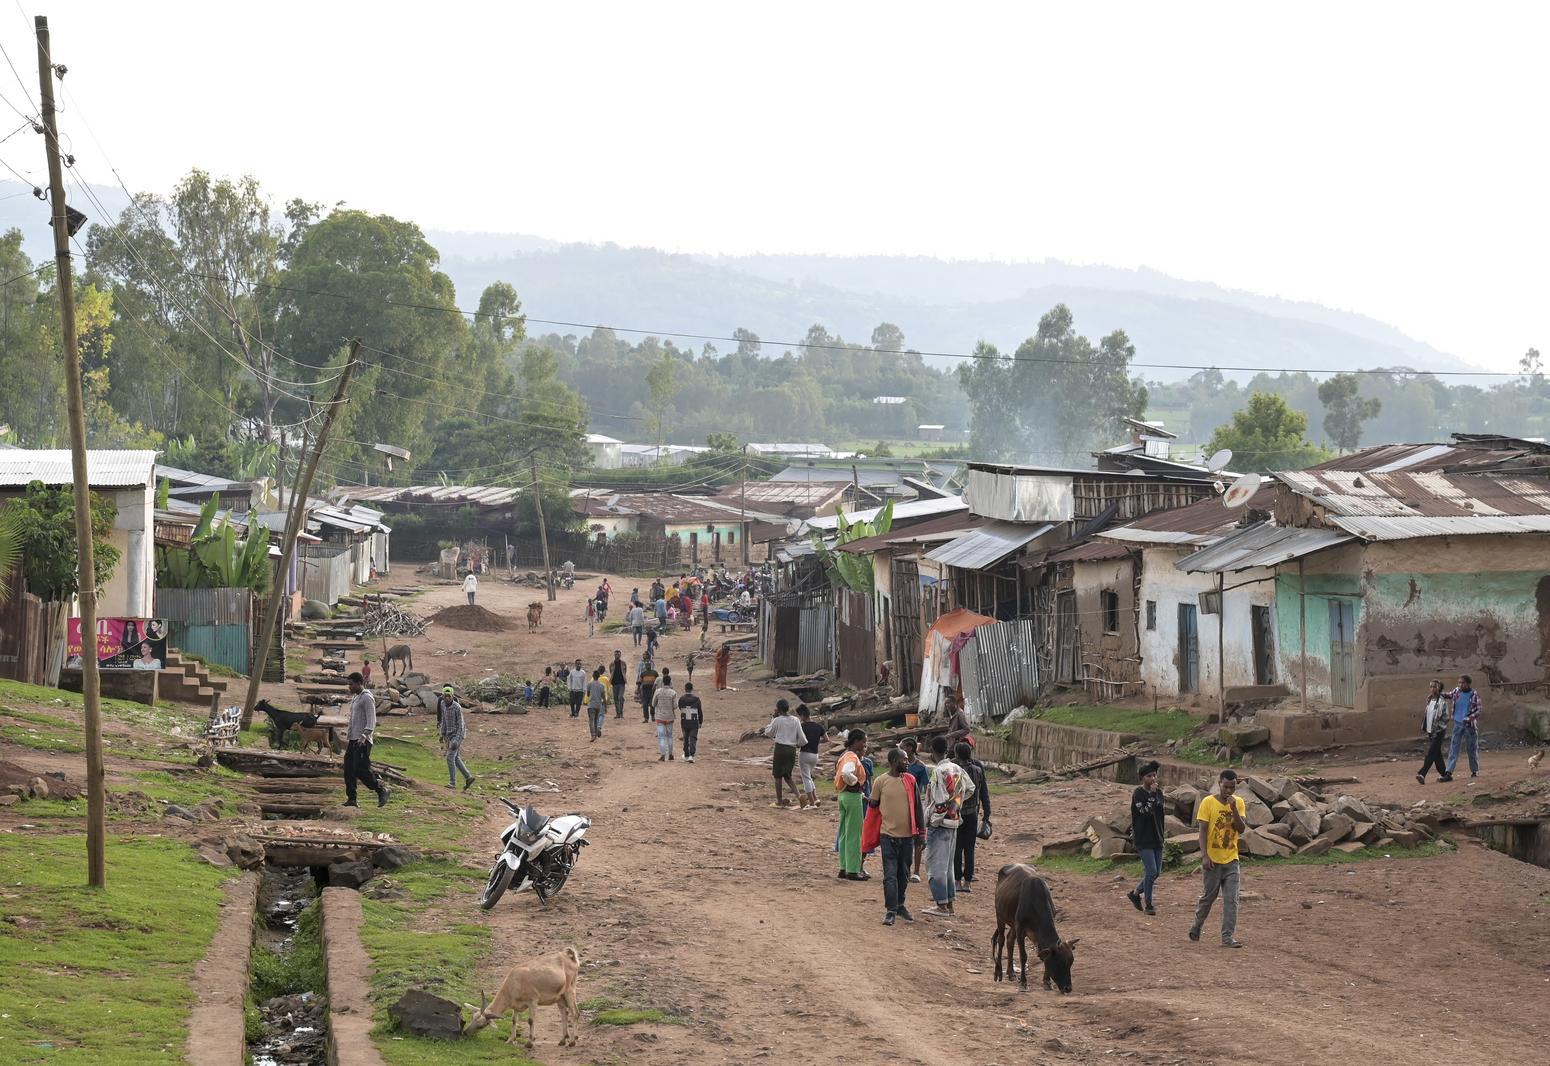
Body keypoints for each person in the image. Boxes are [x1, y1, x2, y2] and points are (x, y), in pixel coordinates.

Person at [1189, 769, 1247, 948]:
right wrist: (1204, 855)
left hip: (1231, 859)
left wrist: (1234, 809)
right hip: (1212, 861)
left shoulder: (1239, 803)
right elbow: (1203, 831)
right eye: (1226, 786)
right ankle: (1197, 925)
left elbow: (1241, 829)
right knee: (1209, 897)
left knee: (1232, 900)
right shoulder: (1207, 802)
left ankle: (1227, 937)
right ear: (1219, 784)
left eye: (1232, 787)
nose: (1229, 791)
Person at [870, 747, 922, 925]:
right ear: (894, 762)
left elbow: (917, 808)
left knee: (903, 874)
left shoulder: (910, 780)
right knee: (890, 875)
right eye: (904, 759)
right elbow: (873, 804)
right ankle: (891, 910)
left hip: (907, 837)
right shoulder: (880, 781)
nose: (908, 762)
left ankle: (900, 905)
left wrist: (921, 835)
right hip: (888, 836)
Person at [922, 735, 971, 916]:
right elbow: (970, 788)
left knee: (935, 866)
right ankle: (949, 904)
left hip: (940, 823)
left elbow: (940, 800)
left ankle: (941, 904)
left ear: (932, 751)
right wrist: (956, 804)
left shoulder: (938, 771)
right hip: (954, 821)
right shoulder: (957, 768)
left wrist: (935, 816)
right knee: (948, 865)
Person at [343, 672, 389, 808]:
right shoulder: (356, 698)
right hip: (353, 739)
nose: (349, 687)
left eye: (351, 684)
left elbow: (372, 720)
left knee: (360, 769)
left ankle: (381, 789)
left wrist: (364, 736)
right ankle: (352, 799)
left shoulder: (367, 698)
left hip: (363, 740)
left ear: (358, 683)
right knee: (348, 769)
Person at [1127, 760, 1166, 915]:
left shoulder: (1159, 793)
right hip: (1143, 838)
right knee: (1151, 871)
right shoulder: (1138, 793)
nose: (1153, 779)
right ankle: (1149, 904)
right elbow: (1145, 812)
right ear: (1142, 778)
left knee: (1156, 873)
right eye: (1149, 776)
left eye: (1154, 775)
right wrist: (1151, 795)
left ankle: (1136, 893)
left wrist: (1155, 794)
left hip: (1157, 836)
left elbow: (1159, 811)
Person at [953, 740, 990, 893]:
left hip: (956, 814)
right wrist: (987, 814)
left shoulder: (954, 771)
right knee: (969, 849)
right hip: (973, 814)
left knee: (957, 848)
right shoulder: (978, 770)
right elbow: (984, 793)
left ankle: (956, 881)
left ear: (956, 754)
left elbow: (953, 794)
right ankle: (968, 882)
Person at [834, 729, 869, 878]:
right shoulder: (852, 757)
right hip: (851, 796)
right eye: (863, 741)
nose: (865, 745)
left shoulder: (844, 755)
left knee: (843, 833)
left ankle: (843, 867)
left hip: (842, 795)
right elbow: (847, 773)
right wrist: (854, 783)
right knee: (854, 834)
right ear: (856, 741)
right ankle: (853, 870)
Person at [763, 698, 806, 808]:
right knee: (787, 776)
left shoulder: (778, 720)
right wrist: (798, 744)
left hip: (780, 749)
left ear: (778, 709)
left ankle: (779, 801)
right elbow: (802, 739)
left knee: (777, 776)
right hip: (791, 750)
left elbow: (768, 732)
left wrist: (773, 717)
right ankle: (799, 795)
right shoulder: (795, 720)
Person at [901, 738, 929, 883]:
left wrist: (923, 805)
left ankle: (916, 871)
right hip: (901, 804)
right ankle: (904, 868)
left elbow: (926, 788)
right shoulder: (899, 764)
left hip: (916, 804)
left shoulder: (920, 767)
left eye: (903, 747)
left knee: (918, 837)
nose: (901, 749)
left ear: (910, 748)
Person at [437, 685, 475, 790]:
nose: (447, 698)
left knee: (450, 757)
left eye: (449, 696)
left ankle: (452, 782)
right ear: (443, 696)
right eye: (445, 696)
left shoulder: (457, 707)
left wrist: (457, 740)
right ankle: (468, 777)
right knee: (456, 758)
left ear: (453, 696)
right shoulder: (442, 704)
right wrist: (442, 734)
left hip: (458, 734)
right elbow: (444, 720)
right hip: (448, 734)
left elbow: (461, 724)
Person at [1444, 674, 1482, 778]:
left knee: (1472, 749)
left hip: (1469, 726)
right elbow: (1449, 695)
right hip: (1458, 724)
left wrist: (1468, 718)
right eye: (1459, 682)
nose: (1461, 685)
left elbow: (1478, 710)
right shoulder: (1457, 691)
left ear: (1468, 683)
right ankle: (1448, 772)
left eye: (1463, 683)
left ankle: (1475, 771)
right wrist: (1439, 694)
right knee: (1454, 748)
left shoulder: (1474, 695)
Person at [1417, 679, 1452, 784]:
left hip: (1438, 731)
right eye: (1431, 686)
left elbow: (1446, 717)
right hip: (1430, 731)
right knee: (1437, 754)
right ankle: (1445, 774)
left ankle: (1422, 773)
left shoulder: (1442, 702)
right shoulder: (1430, 700)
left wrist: (1437, 728)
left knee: (1431, 753)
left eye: (1435, 687)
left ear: (1439, 688)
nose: (1432, 689)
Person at [796, 704, 824, 810]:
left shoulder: (802, 727)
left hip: (805, 754)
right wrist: (816, 741)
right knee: (809, 777)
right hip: (815, 755)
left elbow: (799, 742)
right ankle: (815, 798)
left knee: (806, 778)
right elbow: (826, 739)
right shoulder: (818, 726)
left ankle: (812, 803)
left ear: (803, 715)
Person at [652, 668, 678, 761]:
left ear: (663, 681)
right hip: (670, 717)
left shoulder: (657, 691)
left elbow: (653, 704)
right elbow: (675, 706)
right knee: (670, 736)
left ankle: (663, 755)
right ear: (670, 682)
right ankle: (670, 754)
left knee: (661, 736)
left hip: (660, 717)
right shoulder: (673, 693)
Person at [678, 681, 703, 762]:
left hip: (684, 721)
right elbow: (700, 711)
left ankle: (686, 754)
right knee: (693, 738)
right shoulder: (697, 699)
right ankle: (691, 755)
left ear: (685, 689)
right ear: (692, 689)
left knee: (685, 738)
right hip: (694, 721)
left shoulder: (681, 699)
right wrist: (700, 722)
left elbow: (680, 708)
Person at [586, 669, 608, 742]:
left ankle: (593, 735)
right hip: (598, 705)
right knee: (596, 720)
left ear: (593, 676)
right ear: (599, 676)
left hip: (591, 704)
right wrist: (605, 707)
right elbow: (604, 698)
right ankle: (595, 733)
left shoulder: (589, 684)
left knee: (591, 720)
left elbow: (588, 694)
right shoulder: (602, 685)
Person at [637, 654, 659, 723]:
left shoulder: (655, 673)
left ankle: (652, 716)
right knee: (645, 705)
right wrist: (638, 689)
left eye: (649, 665)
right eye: (647, 665)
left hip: (653, 691)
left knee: (652, 704)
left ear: (651, 666)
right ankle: (646, 718)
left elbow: (657, 681)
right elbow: (639, 682)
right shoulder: (643, 673)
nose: (648, 666)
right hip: (645, 691)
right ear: (645, 666)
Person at [609, 651, 629, 720]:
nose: (617, 655)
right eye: (616, 654)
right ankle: (618, 714)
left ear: (620, 655)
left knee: (620, 697)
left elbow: (625, 671)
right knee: (616, 699)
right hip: (614, 683)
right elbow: (611, 672)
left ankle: (621, 713)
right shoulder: (611, 664)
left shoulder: (623, 663)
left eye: (618, 654)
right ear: (614, 655)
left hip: (621, 683)